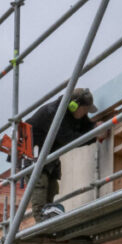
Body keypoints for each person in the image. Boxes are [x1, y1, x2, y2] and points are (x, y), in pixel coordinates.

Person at [26, 87, 98, 220]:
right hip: (33, 155)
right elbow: (69, 139)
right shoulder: (54, 114)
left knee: (52, 187)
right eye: (85, 110)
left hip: (49, 157)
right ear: (74, 105)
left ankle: (48, 219)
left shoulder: (73, 113)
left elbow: (83, 124)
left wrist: (94, 128)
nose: (85, 114)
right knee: (40, 184)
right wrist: (95, 135)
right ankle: (41, 220)